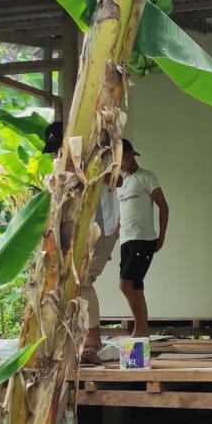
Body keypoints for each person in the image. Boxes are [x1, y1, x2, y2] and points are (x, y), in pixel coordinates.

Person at [117, 138, 168, 338]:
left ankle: (141, 329)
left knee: (126, 284)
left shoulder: (146, 177)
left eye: (121, 157)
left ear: (131, 154)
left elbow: (163, 206)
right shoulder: (123, 183)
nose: (119, 163)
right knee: (135, 285)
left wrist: (161, 236)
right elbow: (121, 217)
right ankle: (142, 330)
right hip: (126, 239)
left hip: (143, 238)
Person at [80, 175, 120, 364]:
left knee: (84, 282)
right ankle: (83, 336)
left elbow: (118, 180)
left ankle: (93, 338)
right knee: (75, 285)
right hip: (82, 235)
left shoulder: (100, 164)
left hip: (101, 232)